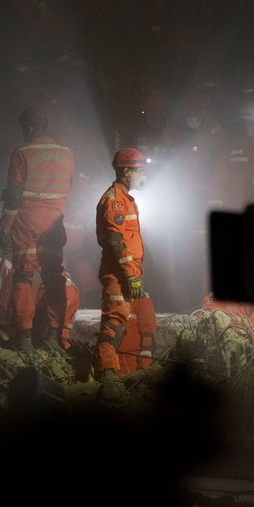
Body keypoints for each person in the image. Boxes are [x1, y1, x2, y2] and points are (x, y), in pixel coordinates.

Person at [0, 105, 74, 351]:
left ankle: (24, 336)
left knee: (24, 276)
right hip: (54, 221)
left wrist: (6, 226)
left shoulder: (22, 152)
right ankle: (53, 336)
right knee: (54, 277)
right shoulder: (67, 154)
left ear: (28, 126)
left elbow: (14, 194)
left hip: (27, 221)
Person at [93, 147, 147, 384]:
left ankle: (109, 371)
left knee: (120, 323)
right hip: (118, 273)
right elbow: (116, 241)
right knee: (113, 322)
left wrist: (134, 274)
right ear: (126, 171)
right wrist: (130, 275)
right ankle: (107, 375)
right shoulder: (114, 199)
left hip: (126, 272)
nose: (142, 175)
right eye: (138, 170)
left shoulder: (124, 198)